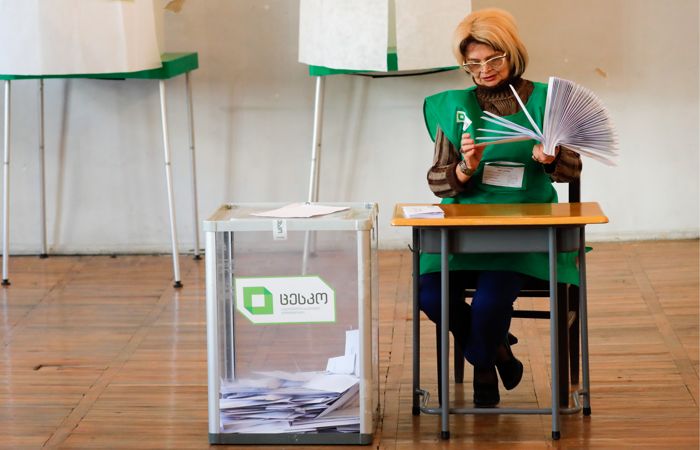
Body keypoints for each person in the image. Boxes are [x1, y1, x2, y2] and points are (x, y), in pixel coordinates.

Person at [419, 8, 582, 407]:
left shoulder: (546, 101)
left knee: (490, 301)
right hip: (463, 229)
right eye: (473, 63)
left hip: (524, 232)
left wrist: (551, 159)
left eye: (493, 59)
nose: (484, 70)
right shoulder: (453, 106)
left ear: (512, 53)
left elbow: (573, 169)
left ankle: (482, 363)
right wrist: (464, 167)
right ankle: (497, 353)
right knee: (429, 294)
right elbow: (437, 180)